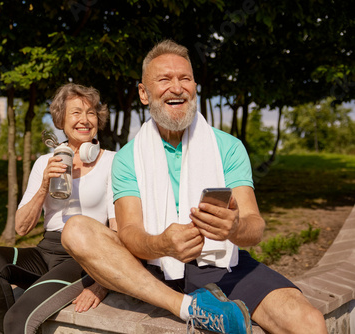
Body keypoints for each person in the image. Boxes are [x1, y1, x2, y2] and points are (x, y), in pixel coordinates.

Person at [61, 40, 327, 333]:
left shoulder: (228, 147)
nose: (177, 88)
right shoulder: (127, 159)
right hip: (153, 272)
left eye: (185, 78)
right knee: (75, 229)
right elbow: (129, 234)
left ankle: (202, 303)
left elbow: (255, 227)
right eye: (164, 79)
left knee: (309, 323)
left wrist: (234, 227)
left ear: (194, 87)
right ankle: (189, 307)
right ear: (143, 93)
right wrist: (161, 244)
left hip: (224, 266)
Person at [0, 83, 116, 334]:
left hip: (83, 257)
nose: (85, 120)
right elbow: (21, 227)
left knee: (17, 319)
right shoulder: (44, 162)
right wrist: (43, 187)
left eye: (91, 112)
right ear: (61, 119)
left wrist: (101, 284)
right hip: (46, 251)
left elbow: (118, 232)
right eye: (76, 113)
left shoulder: (113, 162)